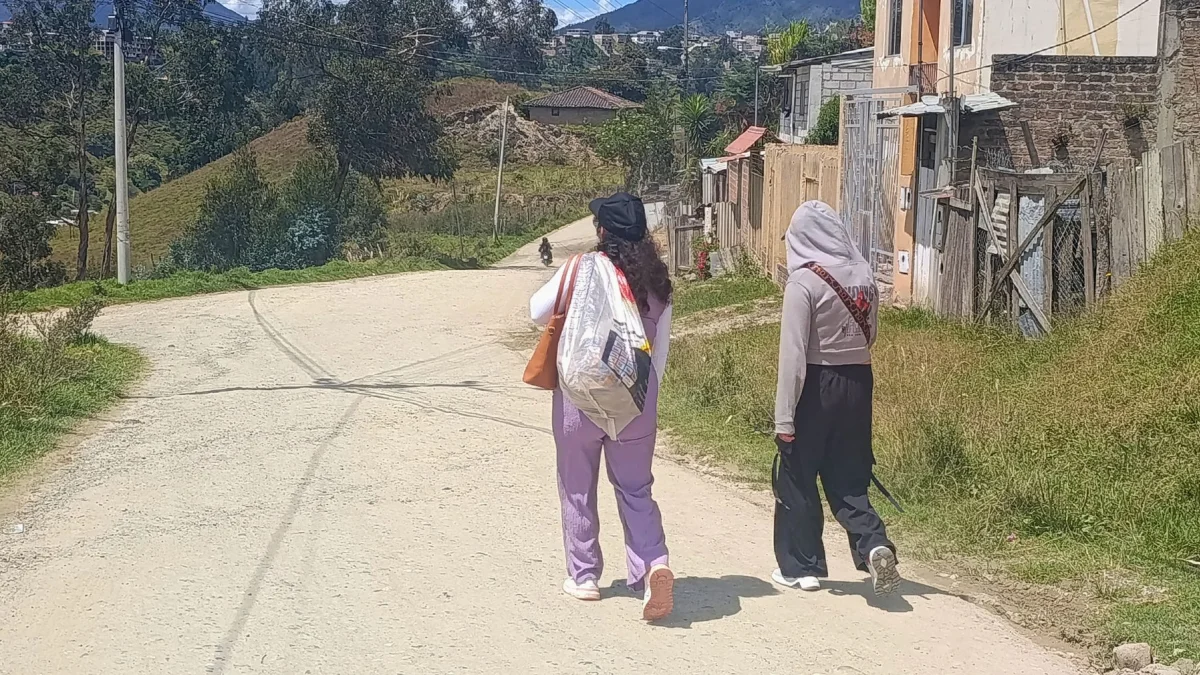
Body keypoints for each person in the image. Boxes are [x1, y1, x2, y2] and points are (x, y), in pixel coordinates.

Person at [529, 192, 676, 621]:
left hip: (580, 399)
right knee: (636, 489)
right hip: (636, 402)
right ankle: (654, 564)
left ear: (601, 231)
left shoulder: (581, 269)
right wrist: (643, 406)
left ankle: (585, 577)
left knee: (577, 486)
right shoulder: (659, 284)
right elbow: (659, 357)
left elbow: (536, 311)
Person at [771, 200, 900, 596]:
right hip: (859, 382)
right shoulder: (864, 275)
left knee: (796, 475)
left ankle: (802, 567)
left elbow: (792, 357)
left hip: (815, 384)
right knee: (849, 475)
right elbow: (872, 334)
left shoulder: (803, 283)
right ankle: (874, 543)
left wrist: (783, 420)